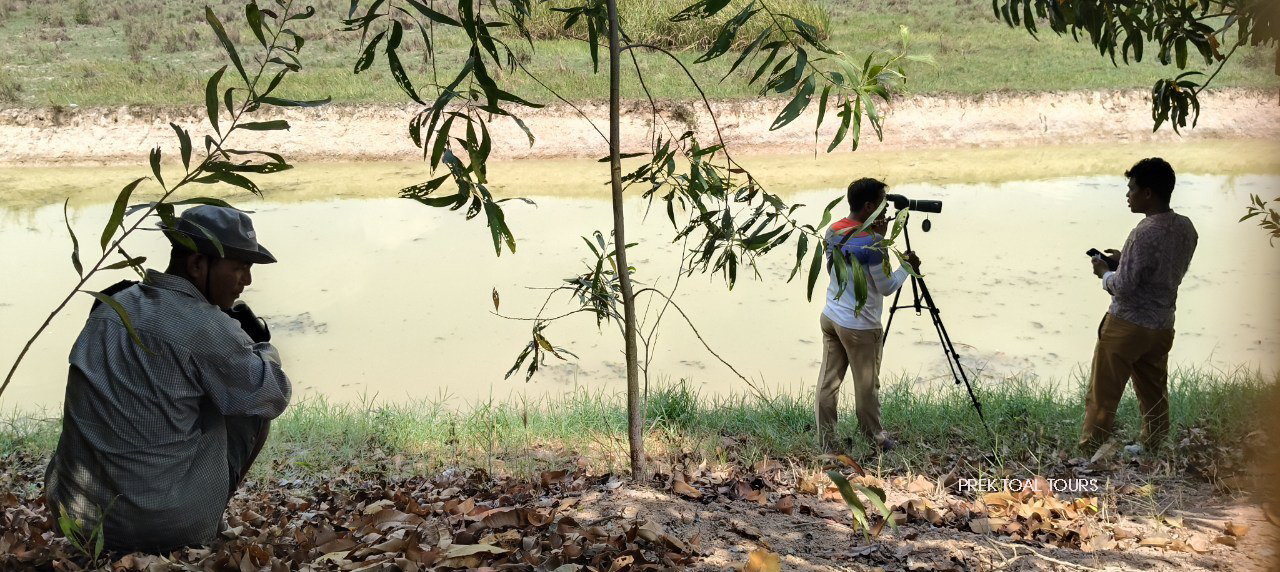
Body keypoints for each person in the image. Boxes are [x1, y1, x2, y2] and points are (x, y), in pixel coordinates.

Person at [44, 205, 291, 552]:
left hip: (76, 518)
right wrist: (261, 346)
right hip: (161, 530)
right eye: (238, 267)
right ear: (196, 265)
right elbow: (273, 395)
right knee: (249, 406)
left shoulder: (112, 303)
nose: (246, 280)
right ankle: (198, 521)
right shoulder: (207, 326)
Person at [1080, 157, 1197, 453]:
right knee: (1153, 389)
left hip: (1127, 326)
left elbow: (1124, 286)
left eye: (1131, 189)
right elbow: (1165, 271)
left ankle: (1089, 449)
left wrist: (1105, 273)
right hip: (1162, 325)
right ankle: (1153, 444)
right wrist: (1126, 260)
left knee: (1103, 392)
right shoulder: (1186, 228)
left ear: (1148, 193)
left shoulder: (1144, 231)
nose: (1127, 195)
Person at [817, 178, 920, 453]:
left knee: (829, 382)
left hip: (831, 316)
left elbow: (833, 271)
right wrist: (906, 267)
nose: (885, 212)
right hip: (859, 326)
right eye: (881, 205)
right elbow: (887, 287)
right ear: (868, 207)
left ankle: (827, 443)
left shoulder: (833, 230)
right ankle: (873, 438)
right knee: (866, 386)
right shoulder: (873, 243)